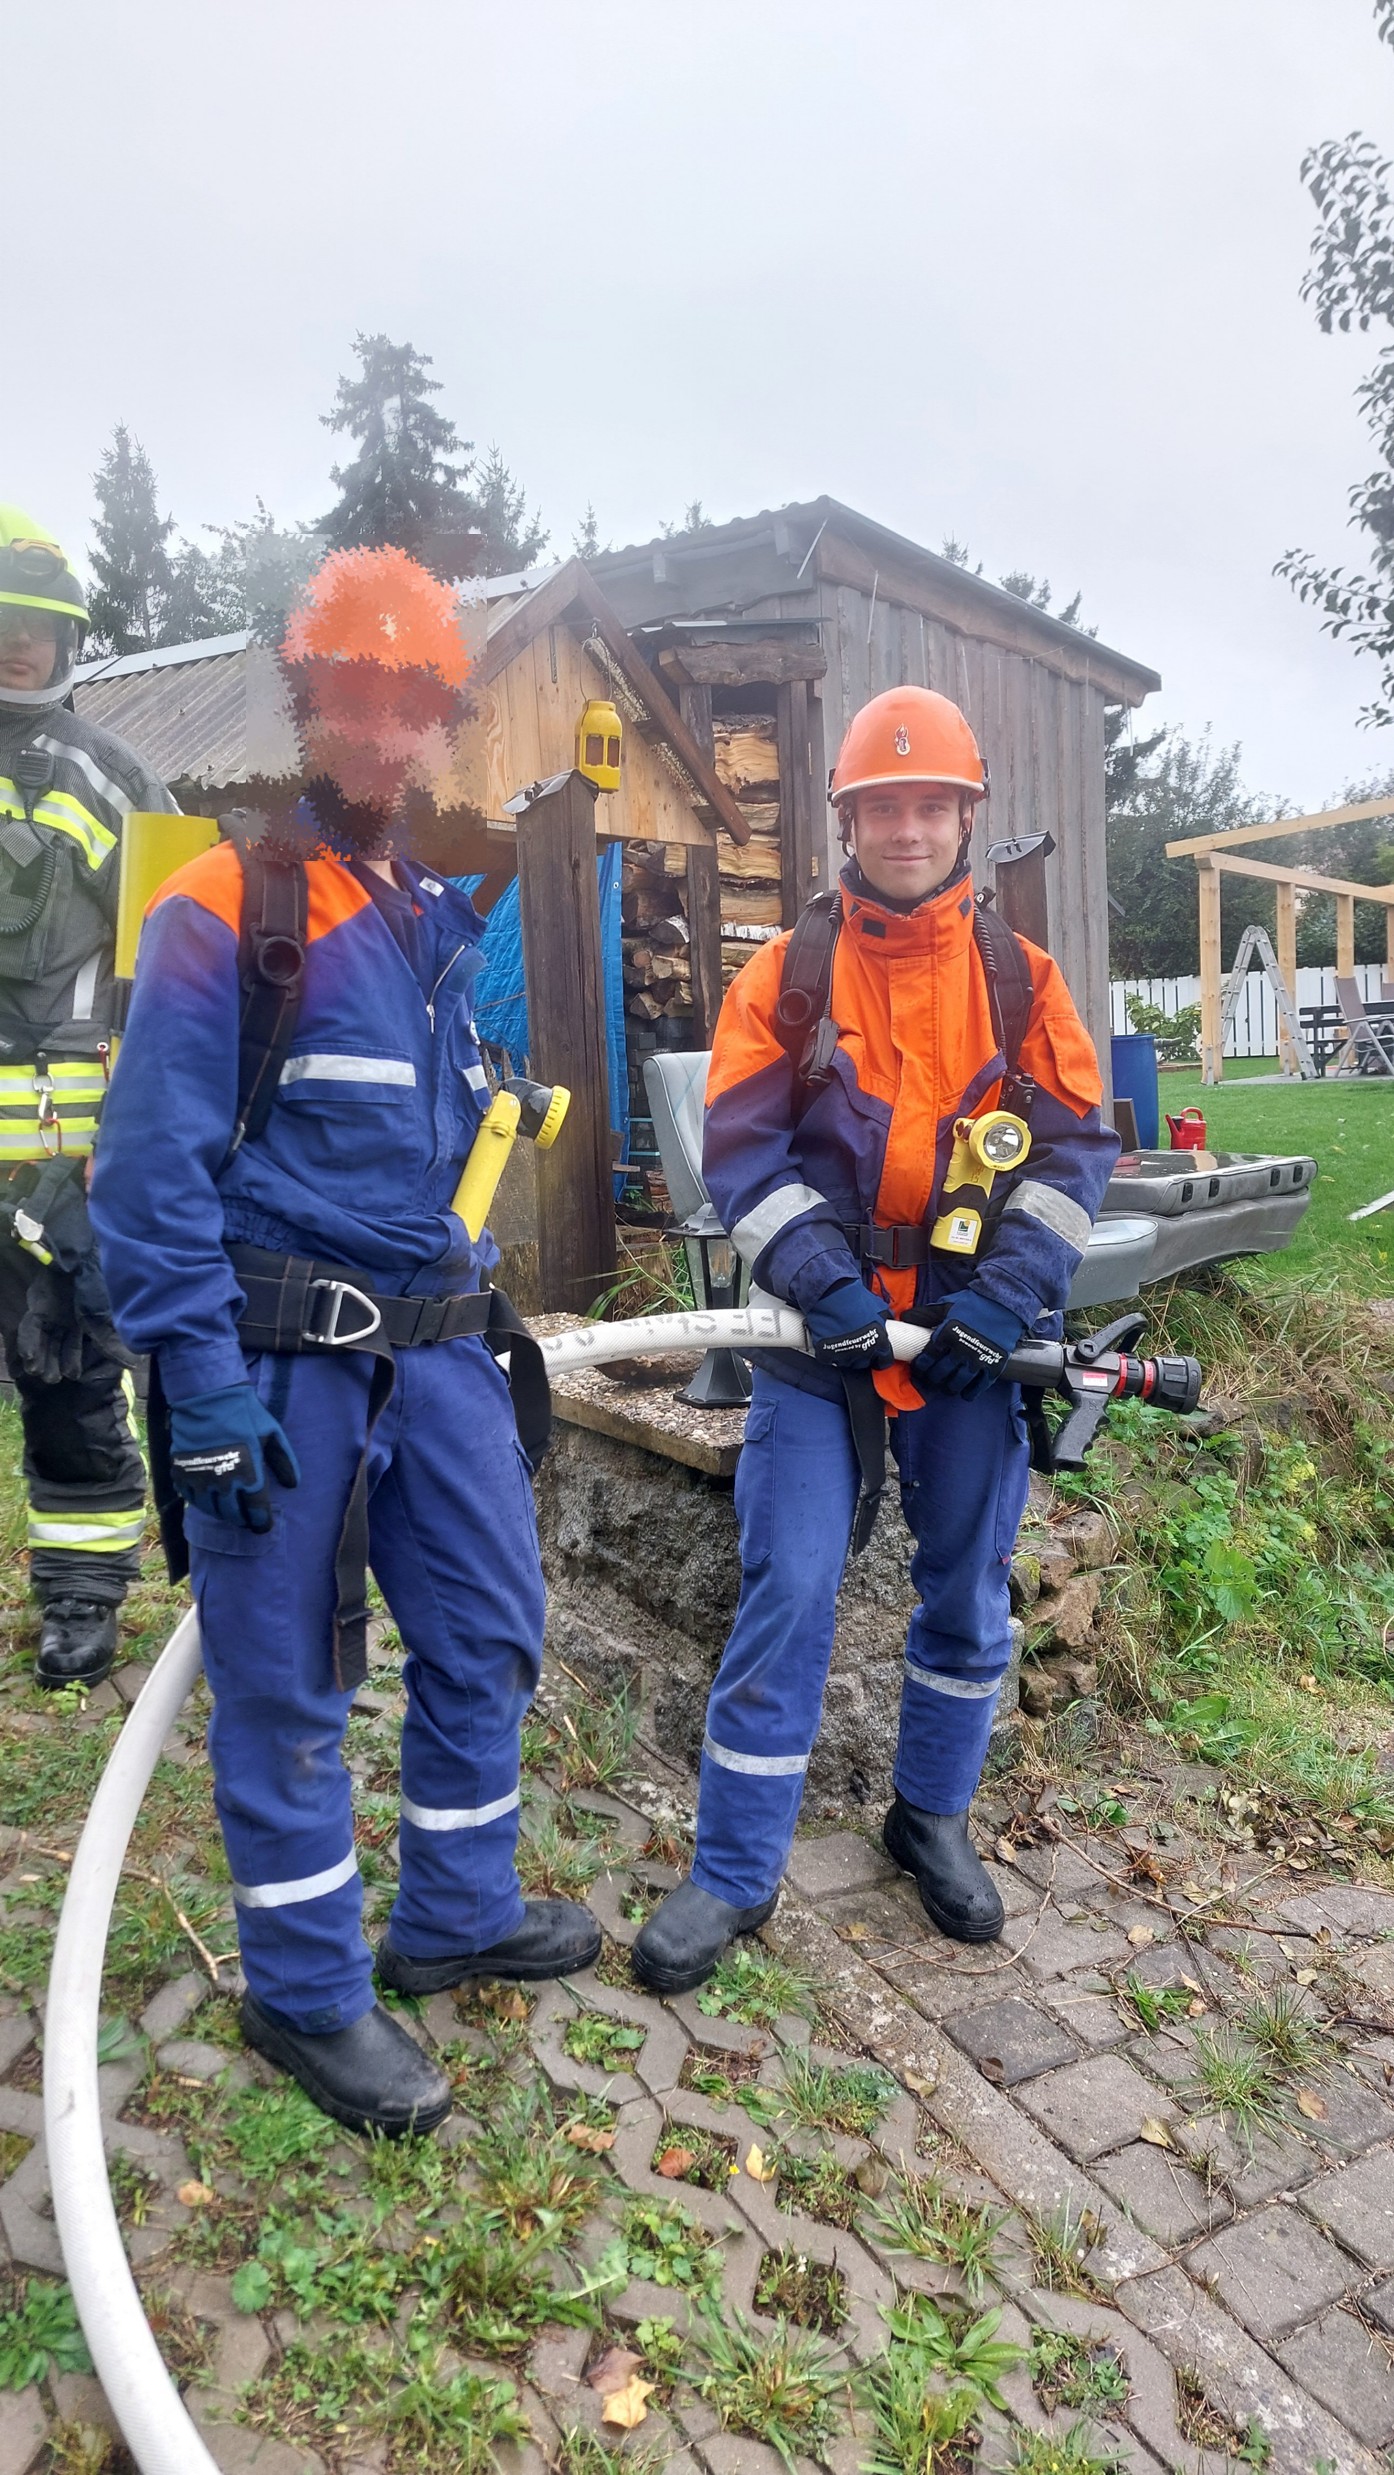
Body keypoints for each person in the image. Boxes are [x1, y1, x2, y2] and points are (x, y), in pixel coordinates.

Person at [90, 546, 599, 2137]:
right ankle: (308, 1992)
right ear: (309, 706)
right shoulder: (225, 908)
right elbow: (146, 1175)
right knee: (289, 1685)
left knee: (488, 1631)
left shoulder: (431, 926)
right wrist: (204, 1387)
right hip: (281, 1369)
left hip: (440, 1358)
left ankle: (451, 1910)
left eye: (412, 708)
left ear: (442, 722)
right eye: (354, 702)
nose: (383, 738)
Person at [633, 685, 1119, 1995]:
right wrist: (820, 1282)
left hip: (970, 1340)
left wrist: (1004, 1296)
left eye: (928, 805)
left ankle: (927, 1818)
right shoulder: (786, 974)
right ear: (847, 822)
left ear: (962, 816)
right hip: (820, 1335)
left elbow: (1074, 1150)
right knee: (789, 1587)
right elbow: (739, 1148)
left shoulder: (1023, 979)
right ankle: (733, 1870)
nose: (905, 828)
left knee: (964, 1593)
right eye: (881, 807)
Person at [0, 507, 175, 1689]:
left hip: (63, 1160)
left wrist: (134, 1144)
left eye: (37, 628)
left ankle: (81, 1595)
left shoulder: (115, 778)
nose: (17, 646)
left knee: (67, 1371)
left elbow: (180, 967)